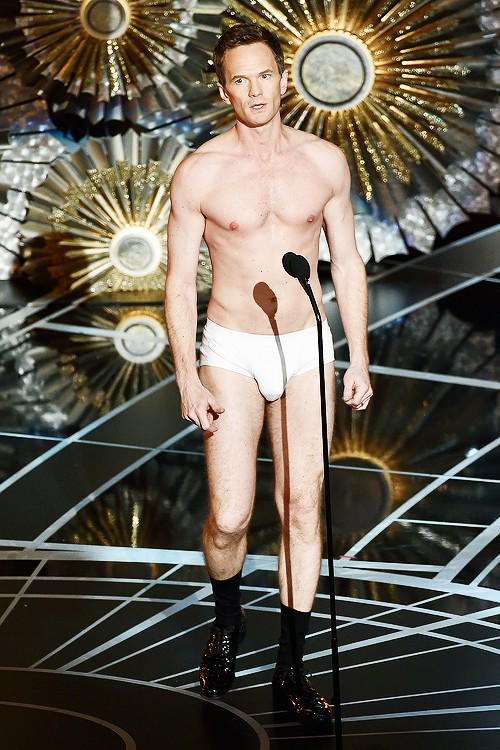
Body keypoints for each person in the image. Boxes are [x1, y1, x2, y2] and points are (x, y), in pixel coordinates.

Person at [164, 23, 372, 730]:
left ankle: (292, 666)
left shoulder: (325, 162)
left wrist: (359, 356)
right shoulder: (200, 172)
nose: (254, 90)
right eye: (239, 80)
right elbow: (177, 280)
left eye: (264, 76)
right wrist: (187, 376)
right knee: (229, 517)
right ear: (224, 90)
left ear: (284, 79)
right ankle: (229, 621)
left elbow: (347, 262)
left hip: (306, 348)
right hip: (231, 349)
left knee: (303, 505)